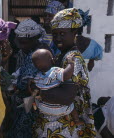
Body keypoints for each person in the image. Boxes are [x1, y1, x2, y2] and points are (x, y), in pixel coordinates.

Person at [32, 8, 96, 138]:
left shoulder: (73, 59)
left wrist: (39, 91)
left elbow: (66, 97)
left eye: (62, 33)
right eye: (55, 34)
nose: (58, 38)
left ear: (74, 33)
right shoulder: (61, 55)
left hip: (65, 125)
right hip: (56, 123)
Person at [6, 19, 51, 138]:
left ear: (35, 39)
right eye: (19, 42)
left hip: (33, 106)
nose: (21, 46)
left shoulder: (41, 54)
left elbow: (36, 85)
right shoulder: (27, 51)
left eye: (24, 42)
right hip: (25, 104)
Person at [30, 49, 83, 125]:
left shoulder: (38, 76)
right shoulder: (55, 71)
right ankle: (77, 120)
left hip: (43, 108)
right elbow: (66, 75)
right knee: (71, 106)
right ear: (52, 60)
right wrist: (70, 63)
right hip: (61, 109)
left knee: (37, 98)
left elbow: (35, 88)